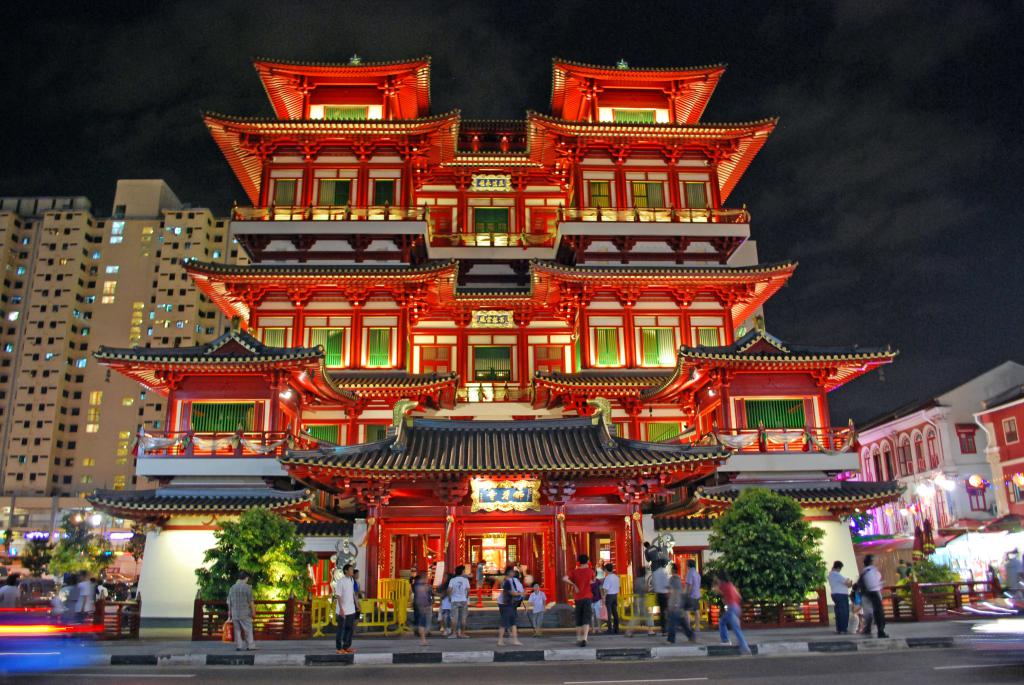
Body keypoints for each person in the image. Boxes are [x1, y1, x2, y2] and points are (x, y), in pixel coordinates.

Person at [713, 572, 751, 655]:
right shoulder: (730, 584)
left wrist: (717, 588)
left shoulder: (722, 585)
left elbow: (716, 590)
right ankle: (726, 640)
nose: (716, 580)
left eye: (717, 579)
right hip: (737, 608)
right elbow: (739, 596)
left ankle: (744, 647)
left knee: (735, 628)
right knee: (722, 622)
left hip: (731, 608)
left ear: (720, 579)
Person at [563, 554, 596, 647]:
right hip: (587, 597)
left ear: (578, 562)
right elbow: (593, 581)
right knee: (586, 618)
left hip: (578, 598)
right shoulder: (591, 571)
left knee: (579, 618)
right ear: (587, 562)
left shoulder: (574, 572)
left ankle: (578, 638)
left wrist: (574, 585)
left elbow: (564, 578)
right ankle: (584, 638)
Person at [857, 555, 888, 638]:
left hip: (866, 594)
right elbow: (873, 583)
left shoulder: (864, 571)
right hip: (873, 593)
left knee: (869, 613)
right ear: (872, 561)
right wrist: (880, 584)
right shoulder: (872, 571)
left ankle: (867, 629)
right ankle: (880, 631)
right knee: (878, 613)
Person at [227, 571, 256, 651]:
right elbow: (251, 601)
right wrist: (253, 611)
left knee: (237, 630)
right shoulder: (247, 588)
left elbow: (229, 602)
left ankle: (238, 646)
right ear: (246, 578)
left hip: (235, 612)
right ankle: (250, 645)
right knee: (248, 629)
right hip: (245, 612)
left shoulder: (232, 588)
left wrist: (230, 613)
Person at [666, 562, 695, 643]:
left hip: (675, 603)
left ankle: (671, 639)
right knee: (682, 622)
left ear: (673, 570)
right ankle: (691, 635)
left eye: (670, 569)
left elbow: (674, 591)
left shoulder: (673, 579)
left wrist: (673, 604)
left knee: (673, 622)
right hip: (679, 602)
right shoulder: (678, 579)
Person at [496, 566, 524, 646]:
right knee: (505, 623)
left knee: (513, 623)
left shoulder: (511, 580)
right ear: (509, 573)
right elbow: (510, 593)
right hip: (507, 604)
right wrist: (520, 594)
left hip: (510, 604)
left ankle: (515, 640)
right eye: (512, 571)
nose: (513, 573)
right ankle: (500, 640)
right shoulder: (507, 581)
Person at [334, 563, 358, 654]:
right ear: (346, 571)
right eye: (351, 569)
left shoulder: (351, 580)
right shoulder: (341, 581)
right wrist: (341, 609)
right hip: (342, 610)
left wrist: (357, 604)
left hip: (351, 609)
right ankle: (339, 648)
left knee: (349, 629)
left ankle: (346, 647)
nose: (353, 571)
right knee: (341, 629)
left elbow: (352, 593)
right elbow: (338, 596)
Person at [627, 567, 655, 636]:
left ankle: (629, 631)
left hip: (636, 598)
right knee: (648, 615)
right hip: (643, 598)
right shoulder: (643, 580)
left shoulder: (637, 580)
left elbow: (634, 589)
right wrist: (650, 589)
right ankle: (650, 630)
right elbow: (645, 589)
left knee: (636, 615)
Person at [827, 561, 853, 634]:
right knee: (844, 612)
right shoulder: (836, 574)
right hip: (841, 595)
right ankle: (843, 629)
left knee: (839, 612)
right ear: (838, 568)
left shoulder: (830, 574)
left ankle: (839, 629)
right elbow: (848, 584)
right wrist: (849, 581)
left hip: (835, 594)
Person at [447, 565, 470, 638]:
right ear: (462, 572)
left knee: (454, 618)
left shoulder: (452, 580)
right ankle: (462, 633)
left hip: (454, 600)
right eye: (464, 571)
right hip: (463, 600)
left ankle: (454, 633)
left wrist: (450, 597)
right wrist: (466, 597)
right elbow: (468, 590)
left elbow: (449, 590)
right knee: (463, 618)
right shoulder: (466, 580)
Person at [412, 571, 432, 646]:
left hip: (419, 606)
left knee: (420, 622)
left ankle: (421, 636)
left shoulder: (418, 585)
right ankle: (423, 640)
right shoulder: (422, 586)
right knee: (422, 623)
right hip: (422, 606)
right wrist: (424, 606)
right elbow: (422, 597)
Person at [650, 561, 669, 634]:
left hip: (658, 594)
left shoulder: (654, 573)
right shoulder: (665, 572)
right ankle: (667, 628)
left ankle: (663, 629)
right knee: (666, 611)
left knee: (661, 612)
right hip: (665, 594)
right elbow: (667, 584)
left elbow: (653, 584)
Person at [683, 559, 702, 632]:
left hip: (691, 595)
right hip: (697, 594)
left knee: (686, 610)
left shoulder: (690, 573)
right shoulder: (697, 573)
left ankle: (688, 627)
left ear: (688, 565)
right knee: (696, 610)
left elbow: (689, 585)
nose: (686, 565)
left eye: (686, 564)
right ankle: (697, 627)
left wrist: (687, 594)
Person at [601, 563, 620, 635]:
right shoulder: (616, 577)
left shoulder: (607, 578)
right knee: (615, 612)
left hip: (609, 596)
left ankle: (610, 629)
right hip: (615, 595)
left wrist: (603, 597)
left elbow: (605, 589)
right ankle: (616, 628)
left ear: (606, 569)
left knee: (608, 613)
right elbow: (618, 586)